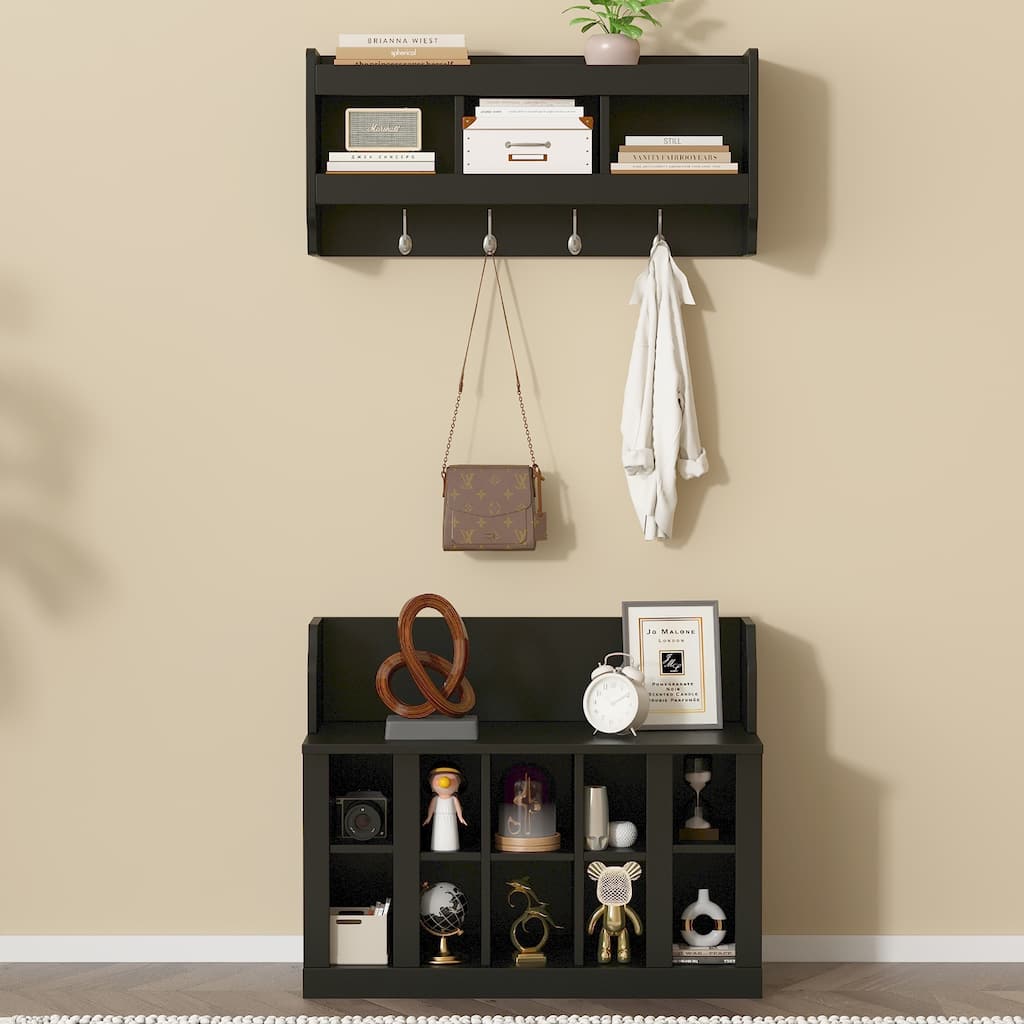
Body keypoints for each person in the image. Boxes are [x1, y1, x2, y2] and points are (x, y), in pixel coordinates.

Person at [422, 766, 467, 852]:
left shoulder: (453, 799)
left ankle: (452, 846)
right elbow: (431, 808)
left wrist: (460, 817)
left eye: (451, 778)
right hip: (439, 818)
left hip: (451, 818)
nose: (445, 780)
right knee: (439, 834)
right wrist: (429, 817)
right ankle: (438, 846)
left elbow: (458, 808)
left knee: (450, 835)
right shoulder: (436, 799)